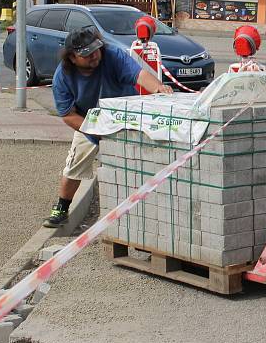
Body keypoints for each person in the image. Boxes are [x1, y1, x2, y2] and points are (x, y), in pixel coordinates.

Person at [44, 26, 173, 228]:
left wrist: (158, 87)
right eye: (86, 55)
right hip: (89, 122)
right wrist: (96, 130)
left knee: (137, 165)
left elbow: (139, 75)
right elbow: (68, 116)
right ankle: (62, 207)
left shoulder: (112, 55)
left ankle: (143, 212)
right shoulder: (62, 77)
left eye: (96, 50)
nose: (95, 56)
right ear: (72, 58)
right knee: (74, 164)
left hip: (124, 118)